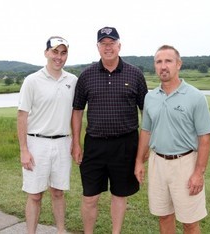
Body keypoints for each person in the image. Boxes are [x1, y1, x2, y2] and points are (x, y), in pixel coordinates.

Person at [71, 26, 148, 234]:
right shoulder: (86, 75)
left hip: (125, 144)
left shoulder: (135, 74)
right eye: (103, 44)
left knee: (119, 194)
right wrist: (76, 143)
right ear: (97, 47)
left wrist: (143, 150)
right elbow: (77, 110)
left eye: (112, 43)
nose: (108, 47)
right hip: (95, 144)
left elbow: (146, 112)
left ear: (119, 45)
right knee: (90, 196)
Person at [134, 45, 210, 234]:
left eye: (168, 61)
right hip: (157, 163)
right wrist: (139, 161)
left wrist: (198, 173)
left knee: (190, 221)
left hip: (185, 164)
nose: (163, 66)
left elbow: (205, 138)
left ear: (178, 64)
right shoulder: (150, 97)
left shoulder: (196, 97)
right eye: (159, 62)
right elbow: (146, 131)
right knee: (164, 216)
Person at [17, 36, 77, 234]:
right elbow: (22, 116)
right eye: (55, 52)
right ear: (46, 53)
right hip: (37, 143)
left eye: (63, 52)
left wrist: (76, 142)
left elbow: (76, 115)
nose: (59, 57)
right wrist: (24, 150)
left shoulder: (73, 81)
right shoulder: (32, 80)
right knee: (35, 195)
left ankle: (61, 230)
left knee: (58, 192)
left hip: (62, 143)